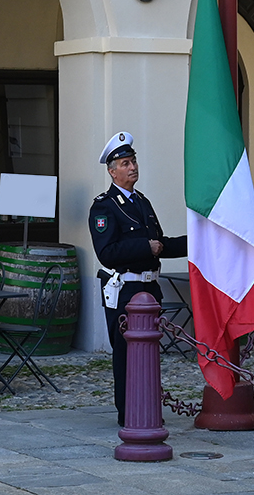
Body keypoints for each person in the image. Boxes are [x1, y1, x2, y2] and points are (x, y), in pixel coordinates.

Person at [88, 132, 186, 426]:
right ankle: (128, 412)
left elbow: (160, 243)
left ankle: (147, 405)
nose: (133, 167)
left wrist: (197, 243)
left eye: (134, 161)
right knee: (126, 353)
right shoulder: (105, 206)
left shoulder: (141, 201)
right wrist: (144, 246)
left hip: (149, 286)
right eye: (126, 163)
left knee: (149, 352)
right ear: (112, 170)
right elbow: (107, 252)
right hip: (125, 289)